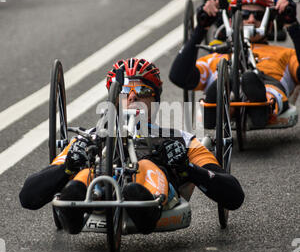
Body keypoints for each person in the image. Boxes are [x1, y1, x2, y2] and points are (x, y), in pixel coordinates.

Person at [19, 58, 244, 235]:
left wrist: (188, 169)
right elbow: (28, 196)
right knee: (86, 172)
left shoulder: (182, 140)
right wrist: (67, 167)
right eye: (126, 92)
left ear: (154, 100)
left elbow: (234, 195)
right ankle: (72, 208)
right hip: (100, 191)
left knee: (146, 165)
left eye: (144, 92)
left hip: (156, 189)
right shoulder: (89, 137)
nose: (134, 97)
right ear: (114, 99)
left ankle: (143, 205)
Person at [169, 0, 300, 129]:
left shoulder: (286, 54)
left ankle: (260, 107)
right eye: (244, 14)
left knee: (263, 87)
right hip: (226, 82)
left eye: (258, 16)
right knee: (224, 79)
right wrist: (201, 28)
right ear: (232, 21)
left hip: (267, 85)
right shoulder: (216, 57)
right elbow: (179, 76)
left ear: (269, 23)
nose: (250, 20)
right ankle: (217, 104)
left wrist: (293, 26)